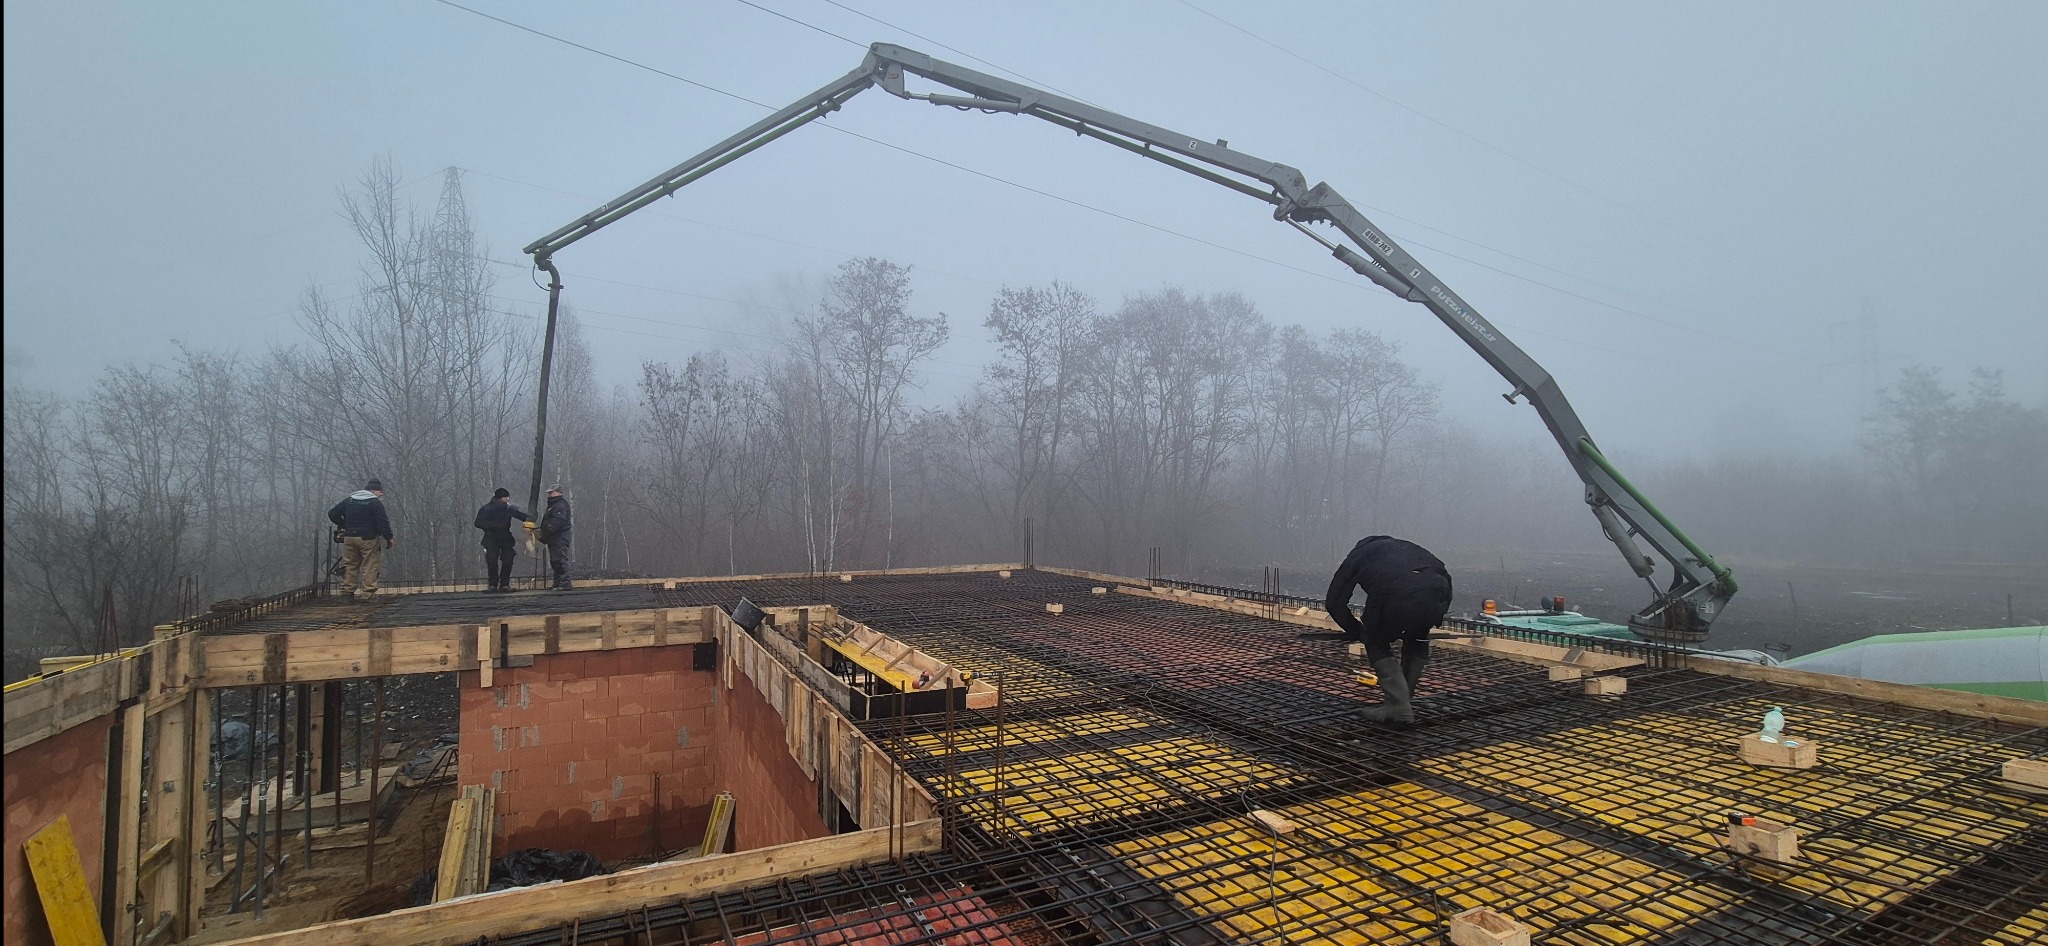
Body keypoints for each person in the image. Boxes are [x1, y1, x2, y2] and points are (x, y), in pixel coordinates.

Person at [1325, 535, 1453, 724]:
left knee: (1376, 642)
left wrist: (1357, 632)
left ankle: (1398, 706)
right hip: (1441, 588)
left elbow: (1334, 602)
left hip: (1398, 588)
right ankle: (1404, 700)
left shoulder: (1358, 556)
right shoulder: (1402, 547)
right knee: (1417, 636)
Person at [327, 478, 393, 598]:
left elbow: (332, 513)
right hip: (368, 538)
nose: (381, 494)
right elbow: (383, 522)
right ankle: (368, 594)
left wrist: (343, 524)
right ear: (372, 491)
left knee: (350, 564)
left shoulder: (350, 500)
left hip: (349, 537)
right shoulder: (375, 503)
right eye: (379, 491)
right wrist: (389, 538)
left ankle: (346, 593)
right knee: (370, 565)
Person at [474, 487, 534, 591]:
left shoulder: (508, 509)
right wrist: (494, 525)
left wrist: (531, 517)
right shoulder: (486, 509)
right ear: (499, 498)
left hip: (505, 538)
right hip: (491, 538)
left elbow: (521, 516)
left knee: (508, 560)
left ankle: (504, 584)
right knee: (492, 561)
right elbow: (478, 523)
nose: (507, 500)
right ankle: (493, 584)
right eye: (505, 498)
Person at [537, 484, 573, 590]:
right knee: (555, 560)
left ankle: (565, 583)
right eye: (549, 493)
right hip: (554, 537)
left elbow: (557, 523)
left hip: (560, 536)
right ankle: (558, 582)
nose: (549, 495)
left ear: (559, 493)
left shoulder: (560, 505)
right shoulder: (553, 505)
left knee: (560, 559)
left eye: (552, 492)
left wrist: (545, 534)